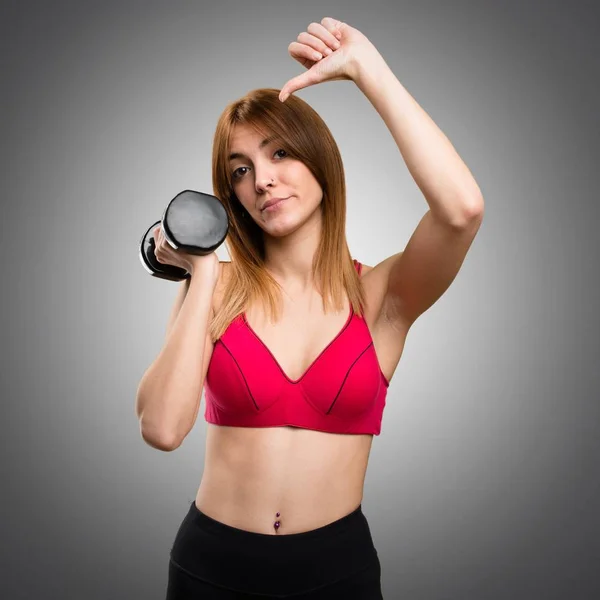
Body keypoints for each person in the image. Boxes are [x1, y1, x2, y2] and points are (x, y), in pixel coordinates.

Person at [136, 16, 484, 599]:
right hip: (209, 568)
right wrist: (199, 270)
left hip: (337, 573)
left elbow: (462, 210)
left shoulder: (383, 297)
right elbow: (163, 429)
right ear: (232, 197)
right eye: (240, 171)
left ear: (318, 157)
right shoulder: (215, 288)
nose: (262, 181)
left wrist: (368, 70)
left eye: (278, 154)